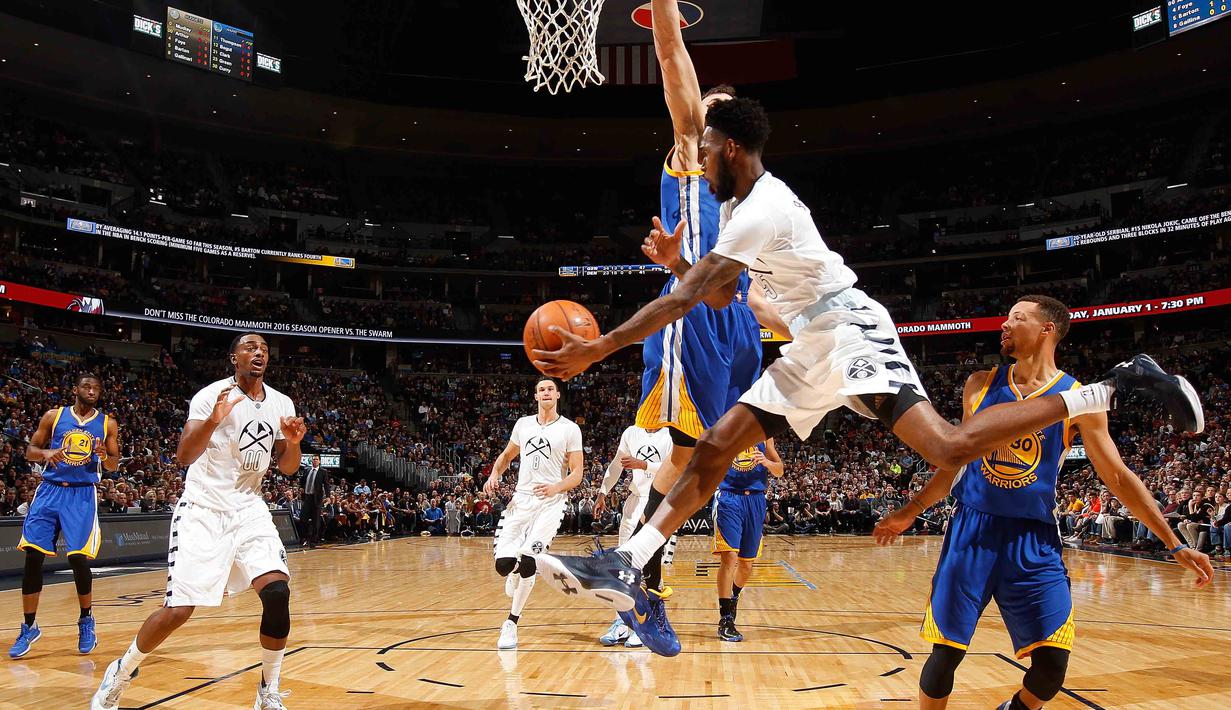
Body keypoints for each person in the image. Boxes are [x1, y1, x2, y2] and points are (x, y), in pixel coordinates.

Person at [530, 95, 1204, 657]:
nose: (697, 159)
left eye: (703, 147)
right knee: (715, 445)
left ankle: (1111, 385)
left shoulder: (762, 204)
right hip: (808, 344)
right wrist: (682, 264)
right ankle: (633, 568)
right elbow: (712, 294)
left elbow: (688, 300)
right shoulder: (736, 212)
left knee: (944, 446)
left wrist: (600, 348)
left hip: (849, 328)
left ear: (729, 146)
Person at [870, 297, 1213, 710]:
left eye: (1018, 318)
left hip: (1033, 538)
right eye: (1006, 317)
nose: (1005, 324)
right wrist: (909, 511)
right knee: (946, 653)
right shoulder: (980, 383)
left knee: (1052, 666)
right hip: (973, 530)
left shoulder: (1078, 398)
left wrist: (1174, 543)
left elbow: (1119, 478)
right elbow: (952, 460)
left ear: (1047, 329)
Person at [624, 0, 765, 626]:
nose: (704, 112)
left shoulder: (756, 191)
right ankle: (640, 580)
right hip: (692, 312)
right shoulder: (690, 155)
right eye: (704, 107)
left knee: (699, 458)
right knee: (687, 454)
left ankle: (638, 572)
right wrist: (662, 16)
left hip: (738, 323)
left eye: (718, 110)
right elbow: (674, 72)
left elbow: (752, 286)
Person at [92, 333, 305, 710]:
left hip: (249, 507)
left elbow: (288, 468)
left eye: (264, 350)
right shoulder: (211, 396)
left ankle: (267, 691)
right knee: (179, 611)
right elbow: (184, 455)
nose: (258, 353)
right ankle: (122, 672)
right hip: (204, 509)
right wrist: (212, 421)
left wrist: (292, 442)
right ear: (233, 357)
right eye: (250, 348)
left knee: (277, 593)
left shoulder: (282, 403)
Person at [10, 372, 120, 659]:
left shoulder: (107, 423)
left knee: (76, 557)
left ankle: (86, 620)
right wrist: (45, 454)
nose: (92, 391)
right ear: (75, 389)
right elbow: (30, 451)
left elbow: (113, 464)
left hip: (81, 494)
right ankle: (29, 626)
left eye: (97, 387)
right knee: (33, 556)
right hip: (49, 491)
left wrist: (102, 456)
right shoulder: (53, 416)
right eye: (87, 386)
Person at [481, 378, 584, 650]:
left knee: (529, 560)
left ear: (558, 395)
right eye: (542, 390)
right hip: (522, 500)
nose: (546, 393)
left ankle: (511, 623)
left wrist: (555, 488)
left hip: (551, 503)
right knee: (504, 566)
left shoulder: (570, 429)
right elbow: (506, 456)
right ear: (535, 396)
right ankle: (514, 571)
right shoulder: (523, 425)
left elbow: (577, 473)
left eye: (550, 389)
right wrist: (494, 474)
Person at [594, 424, 672, 648]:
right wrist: (602, 492)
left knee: (649, 568)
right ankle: (621, 621)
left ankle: (646, 625)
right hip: (634, 502)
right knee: (624, 568)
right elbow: (617, 465)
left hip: (658, 502)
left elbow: (676, 467)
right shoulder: (630, 432)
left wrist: (643, 464)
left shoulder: (671, 434)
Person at [713, 439, 782, 642]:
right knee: (729, 557)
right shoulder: (726, 430)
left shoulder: (765, 435)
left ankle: (733, 596)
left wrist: (768, 463)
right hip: (728, 497)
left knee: (746, 564)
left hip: (756, 499)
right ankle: (726, 618)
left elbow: (779, 470)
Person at [299, 454, 330, 548]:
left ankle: (314, 539)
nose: (315, 461)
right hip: (307, 497)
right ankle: (304, 538)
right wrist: (301, 488)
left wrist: (328, 496)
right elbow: (302, 480)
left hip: (316, 498)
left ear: (319, 461)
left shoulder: (323, 471)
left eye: (316, 459)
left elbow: (326, 485)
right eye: (313, 459)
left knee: (316, 519)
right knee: (303, 518)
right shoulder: (307, 470)